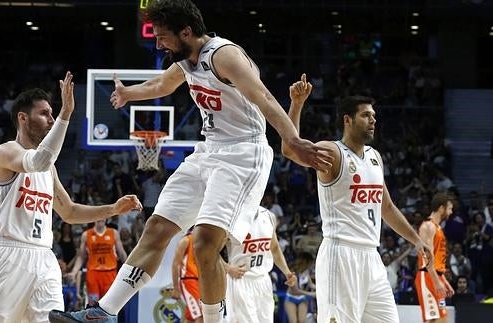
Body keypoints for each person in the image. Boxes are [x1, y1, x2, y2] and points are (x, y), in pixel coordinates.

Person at [49, 1, 332, 323]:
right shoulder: (185, 60)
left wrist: (292, 138)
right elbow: (161, 85)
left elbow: (263, 97)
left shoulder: (224, 55)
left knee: (205, 242)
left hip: (243, 154)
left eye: (163, 36)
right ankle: (104, 312)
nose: (158, 44)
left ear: (186, 32)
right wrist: (129, 93)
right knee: (156, 228)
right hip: (208, 150)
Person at [0, 72, 143, 323]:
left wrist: (113, 209)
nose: (51, 119)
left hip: (44, 257)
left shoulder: (49, 169)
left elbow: (69, 212)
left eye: (53, 113)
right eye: (44, 114)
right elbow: (39, 160)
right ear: (23, 118)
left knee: (53, 319)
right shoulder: (6, 152)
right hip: (7, 255)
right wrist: (65, 114)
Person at [282, 74, 433, 323]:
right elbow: (289, 149)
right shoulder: (333, 152)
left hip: (372, 258)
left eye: (374, 115)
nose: (373, 120)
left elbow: (387, 207)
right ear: (347, 120)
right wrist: (297, 105)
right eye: (366, 115)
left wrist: (416, 240)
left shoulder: (375, 157)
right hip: (341, 254)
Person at [222, 206, 296, 323]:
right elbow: (211, 251)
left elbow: (275, 248)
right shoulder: (230, 217)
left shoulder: (269, 216)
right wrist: (229, 268)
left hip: (263, 280)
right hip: (241, 280)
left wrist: (287, 272)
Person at [415, 193, 455, 323]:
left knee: (442, 319)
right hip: (427, 277)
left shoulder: (438, 228)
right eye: (449, 208)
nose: (451, 212)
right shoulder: (428, 226)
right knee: (433, 320)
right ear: (441, 208)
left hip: (435, 276)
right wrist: (437, 281)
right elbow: (427, 257)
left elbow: (437, 259)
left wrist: (443, 280)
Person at [69, 219, 128, 304]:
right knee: (93, 303)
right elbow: (81, 257)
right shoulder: (86, 235)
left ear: (106, 218)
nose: (101, 219)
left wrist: (128, 270)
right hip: (93, 273)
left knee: (109, 304)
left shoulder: (113, 233)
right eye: (99, 215)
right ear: (95, 218)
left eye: (103, 215)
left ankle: (108, 317)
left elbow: (122, 254)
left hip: (110, 273)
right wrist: (74, 272)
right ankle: (93, 316)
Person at [171, 227, 202, 323]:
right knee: (201, 314)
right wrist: (176, 288)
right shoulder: (186, 240)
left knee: (191, 318)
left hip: (199, 281)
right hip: (188, 280)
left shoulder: (202, 242)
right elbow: (175, 264)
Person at [284, 252, 316, 323]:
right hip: (291, 298)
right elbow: (295, 290)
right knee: (293, 321)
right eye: (310, 263)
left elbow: (311, 284)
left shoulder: (306, 271)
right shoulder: (292, 272)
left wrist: (319, 289)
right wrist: (311, 294)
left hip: (302, 298)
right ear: (305, 262)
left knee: (302, 321)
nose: (311, 265)